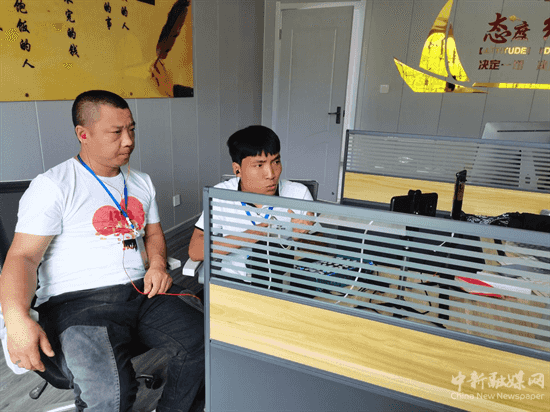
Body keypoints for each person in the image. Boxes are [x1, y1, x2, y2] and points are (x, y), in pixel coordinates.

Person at [0, 90, 204, 411]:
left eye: (131, 129)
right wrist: (15, 318)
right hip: (79, 304)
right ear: (84, 134)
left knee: (203, 342)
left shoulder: (141, 182)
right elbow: (22, 257)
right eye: (116, 132)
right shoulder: (54, 186)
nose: (129, 141)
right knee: (109, 396)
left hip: (141, 292)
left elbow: (153, 234)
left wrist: (157, 264)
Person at [188, 125, 315, 285]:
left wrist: (303, 238)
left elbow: (321, 249)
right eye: (259, 165)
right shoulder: (221, 195)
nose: (271, 174)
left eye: (276, 161)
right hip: (233, 285)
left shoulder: (298, 194)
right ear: (237, 170)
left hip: (282, 286)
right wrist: (251, 235)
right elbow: (195, 250)